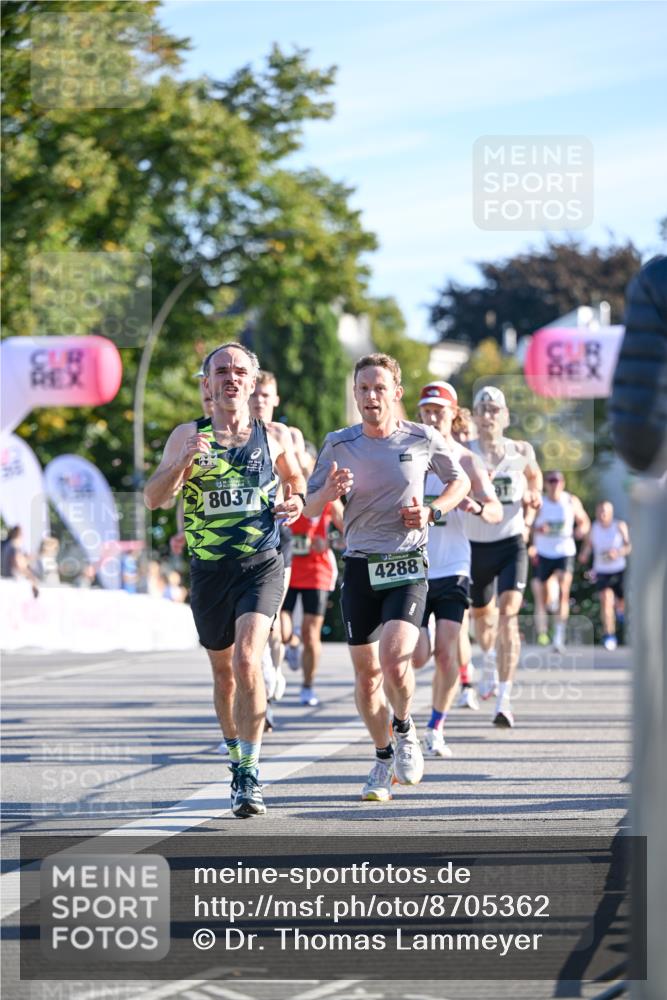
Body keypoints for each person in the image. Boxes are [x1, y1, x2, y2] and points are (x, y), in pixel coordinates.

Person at [144, 342, 307, 818]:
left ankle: (249, 772)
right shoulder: (186, 435)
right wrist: (181, 465)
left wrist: (295, 503)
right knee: (223, 673)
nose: (231, 378)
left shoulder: (272, 436)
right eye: (222, 371)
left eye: (240, 371)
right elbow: (154, 499)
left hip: (261, 564)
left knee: (245, 660)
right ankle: (236, 757)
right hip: (209, 572)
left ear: (253, 383)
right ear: (208, 384)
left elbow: (296, 483)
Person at [304, 353, 470, 802]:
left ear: (396, 392)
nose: (371, 397)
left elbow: (460, 484)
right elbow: (310, 508)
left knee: (396, 659)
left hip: (407, 564)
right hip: (359, 565)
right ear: (354, 394)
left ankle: (405, 728)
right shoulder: (339, 443)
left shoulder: (423, 437)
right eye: (363, 389)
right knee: (366, 678)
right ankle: (382, 757)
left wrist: (432, 512)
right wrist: (329, 492)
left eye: (380, 388)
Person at [412, 382, 502, 757]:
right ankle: (400, 720)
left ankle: (435, 726)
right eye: (426, 411)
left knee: (448, 652)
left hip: (453, 567)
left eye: (439, 411)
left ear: (453, 413)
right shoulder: (409, 455)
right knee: (416, 656)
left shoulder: (466, 460)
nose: (432, 417)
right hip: (411, 567)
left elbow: (495, 510)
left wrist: (477, 508)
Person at [465, 386, 543, 728]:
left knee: (509, 616)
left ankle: (504, 700)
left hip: (511, 543)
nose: (488, 415)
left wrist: (534, 499)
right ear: (474, 416)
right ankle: (488, 659)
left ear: (506, 416)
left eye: (495, 409)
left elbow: (535, 477)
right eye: (482, 409)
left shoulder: (521, 450)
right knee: (484, 620)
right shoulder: (463, 453)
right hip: (473, 546)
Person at [248, 370, 308, 716]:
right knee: (260, 618)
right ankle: (264, 694)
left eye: (265, 395)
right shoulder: (233, 434)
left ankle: (275, 666)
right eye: (254, 394)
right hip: (248, 534)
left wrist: (295, 497)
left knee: (272, 616)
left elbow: (296, 476)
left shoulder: (281, 433)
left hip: (279, 533)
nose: (259, 400)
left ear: (275, 400)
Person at [530, 471, 590, 652]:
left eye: (557, 481)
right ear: (546, 484)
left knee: (564, 592)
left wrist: (581, 530)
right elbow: (527, 523)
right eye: (550, 481)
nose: (554, 484)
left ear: (562, 483)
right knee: (544, 596)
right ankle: (547, 621)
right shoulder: (540, 502)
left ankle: (559, 636)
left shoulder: (571, 501)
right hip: (544, 552)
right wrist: (537, 531)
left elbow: (585, 522)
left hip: (564, 551)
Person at [578, 500, 631, 651]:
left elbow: (629, 547)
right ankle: (609, 635)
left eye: (605, 512)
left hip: (618, 570)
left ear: (611, 513)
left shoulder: (619, 526)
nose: (602, 515)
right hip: (602, 571)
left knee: (621, 603)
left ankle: (621, 613)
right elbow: (588, 547)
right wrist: (583, 555)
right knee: (606, 600)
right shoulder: (594, 529)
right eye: (600, 512)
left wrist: (618, 553)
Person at [1, 525, 39, 596]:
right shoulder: (14, 546)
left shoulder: (6, 545)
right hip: (15, 583)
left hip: (7, 582)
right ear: (19, 534)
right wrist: (32, 577)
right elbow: (18, 565)